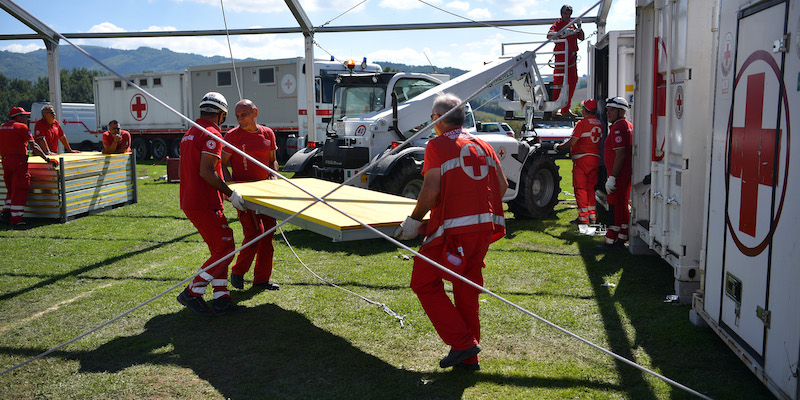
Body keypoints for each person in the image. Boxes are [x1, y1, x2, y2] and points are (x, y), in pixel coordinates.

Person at [394, 93, 508, 372]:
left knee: (423, 281)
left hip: (452, 234)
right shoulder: (484, 145)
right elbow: (502, 186)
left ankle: (462, 344)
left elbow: (431, 190)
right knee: (466, 289)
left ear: (438, 120)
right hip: (483, 231)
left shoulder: (437, 145)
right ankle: (469, 359)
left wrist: (414, 221)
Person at [176, 92, 248, 316]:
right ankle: (192, 292)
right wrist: (231, 193)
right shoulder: (212, 134)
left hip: (193, 200)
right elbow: (206, 172)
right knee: (226, 248)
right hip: (204, 202)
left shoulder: (190, 132)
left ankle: (221, 298)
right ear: (222, 114)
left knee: (219, 249)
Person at [220, 99, 280, 291]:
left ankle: (262, 279)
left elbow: (273, 161)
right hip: (244, 196)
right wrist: (231, 190)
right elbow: (222, 164)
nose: (240, 119)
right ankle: (238, 271)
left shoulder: (268, 133)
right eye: (237, 116)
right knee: (254, 233)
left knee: (268, 236)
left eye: (243, 115)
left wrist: (274, 176)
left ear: (255, 112)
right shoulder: (232, 136)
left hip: (267, 193)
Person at [0, 107, 57, 226]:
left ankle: (6, 213)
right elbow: (34, 145)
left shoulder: (2, 127)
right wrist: (46, 158)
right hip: (19, 162)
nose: (27, 118)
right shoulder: (22, 127)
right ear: (18, 117)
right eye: (25, 116)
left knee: (10, 190)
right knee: (20, 188)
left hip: (5, 161)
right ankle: (15, 219)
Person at [554, 99, 603, 225]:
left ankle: (583, 219)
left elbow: (572, 141)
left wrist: (559, 147)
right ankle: (593, 217)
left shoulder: (582, 123)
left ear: (586, 110)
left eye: (583, 108)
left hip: (582, 160)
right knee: (590, 188)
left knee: (580, 189)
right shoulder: (599, 123)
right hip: (595, 159)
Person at [597, 96, 633, 251]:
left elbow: (620, 154)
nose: (608, 113)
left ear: (620, 111)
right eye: (607, 110)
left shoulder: (618, 127)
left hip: (618, 175)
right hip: (623, 175)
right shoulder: (627, 125)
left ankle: (611, 240)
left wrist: (612, 178)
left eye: (611, 110)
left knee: (615, 207)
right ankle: (623, 236)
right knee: (622, 205)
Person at [547, 4, 584, 118]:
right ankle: (554, 109)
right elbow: (549, 35)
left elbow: (581, 37)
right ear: (561, 14)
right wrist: (562, 33)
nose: (567, 16)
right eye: (565, 14)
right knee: (558, 82)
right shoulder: (557, 25)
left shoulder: (572, 24)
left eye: (569, 14)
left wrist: (579, 28)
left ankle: (565, 109)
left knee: (572, 81)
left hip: (571, 59)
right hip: (561, 57)